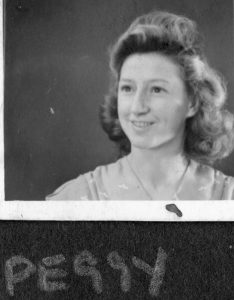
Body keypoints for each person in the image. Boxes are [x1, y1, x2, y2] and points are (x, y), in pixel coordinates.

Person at [46, 10, 234, 200]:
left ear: (192, 103)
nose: (137, 107)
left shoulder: (226, 196)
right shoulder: (78, 197)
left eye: (157, 90)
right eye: (128, 88)